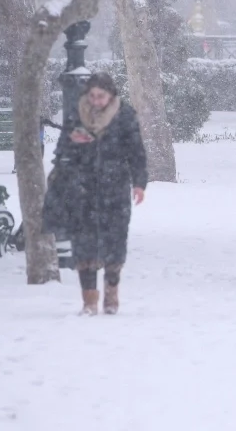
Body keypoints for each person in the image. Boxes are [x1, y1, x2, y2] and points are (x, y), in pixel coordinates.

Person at [47, 72, 148, 316]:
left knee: (114, 241)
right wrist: (74, 143)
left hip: (114, 188)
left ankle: (111, 295)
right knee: (84, 243)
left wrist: (139, 183)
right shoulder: (76, 114)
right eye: (91, 95)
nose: (95, 101)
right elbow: (62, 150)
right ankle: (89, 300)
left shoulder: (124, 115)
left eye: (100, 96)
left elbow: (136, 151)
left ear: (110, 94)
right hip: (82, 189)